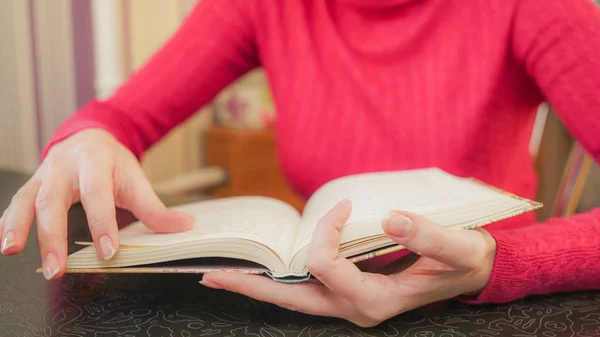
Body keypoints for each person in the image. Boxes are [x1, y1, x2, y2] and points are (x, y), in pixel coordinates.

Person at [1, 0, 599, 327]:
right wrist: (85, 138)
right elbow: (120, 116)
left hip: (485, 314)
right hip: (310, 303)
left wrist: (498, 264)